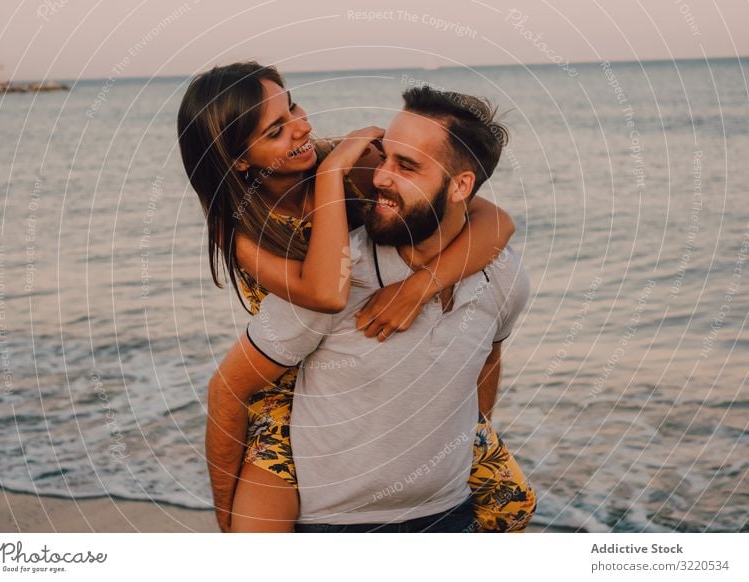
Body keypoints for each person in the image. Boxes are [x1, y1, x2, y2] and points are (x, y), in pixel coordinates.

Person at [178, 62, 521, 532]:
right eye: (276, 130)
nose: (302, 127)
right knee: (250, 534)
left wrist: (422, 284)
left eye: (293, 106)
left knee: (512, 502)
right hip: (287, 385)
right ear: (240, 159)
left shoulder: (356, 163)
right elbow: (326, 291)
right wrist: (330, 176)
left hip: (376, 369)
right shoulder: (243, 229)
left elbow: (495, 220)